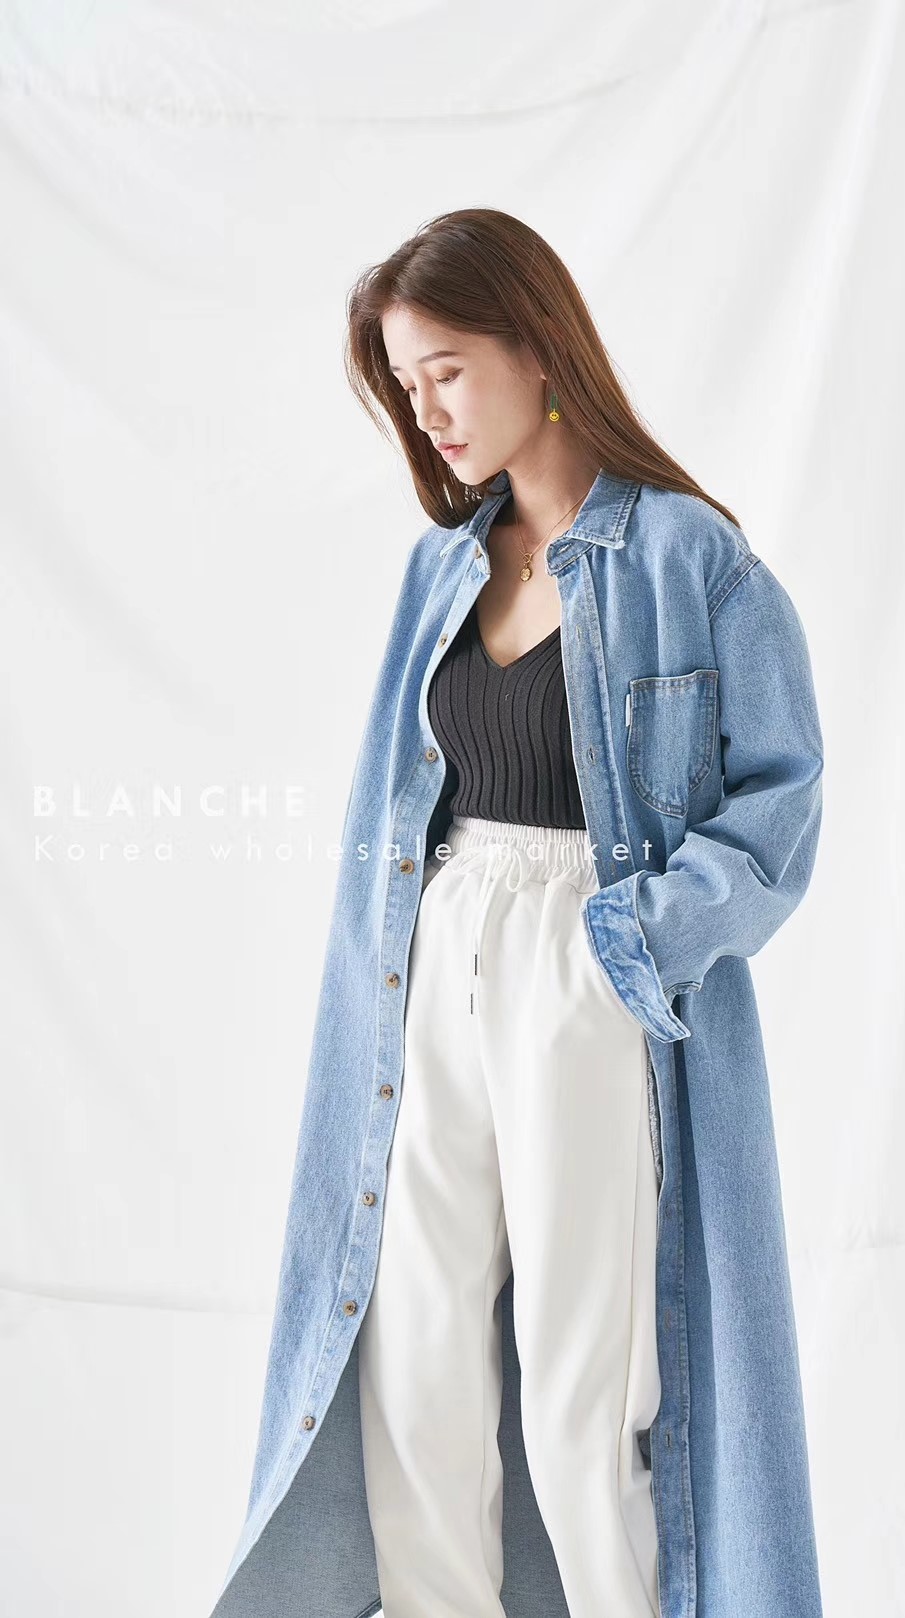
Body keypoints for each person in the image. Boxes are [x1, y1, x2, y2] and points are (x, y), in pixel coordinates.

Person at [211, 207, 825, 1618]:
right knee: (413, 1355)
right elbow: (394, 799)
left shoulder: (689, 559)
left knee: (580, 1385)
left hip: (587, 960)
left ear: (539, 348)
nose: (425, 413)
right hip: (437, 957)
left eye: (445, 372)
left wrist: (635, 941)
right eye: (404, 385)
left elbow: (782, 802)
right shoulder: (442, 568)